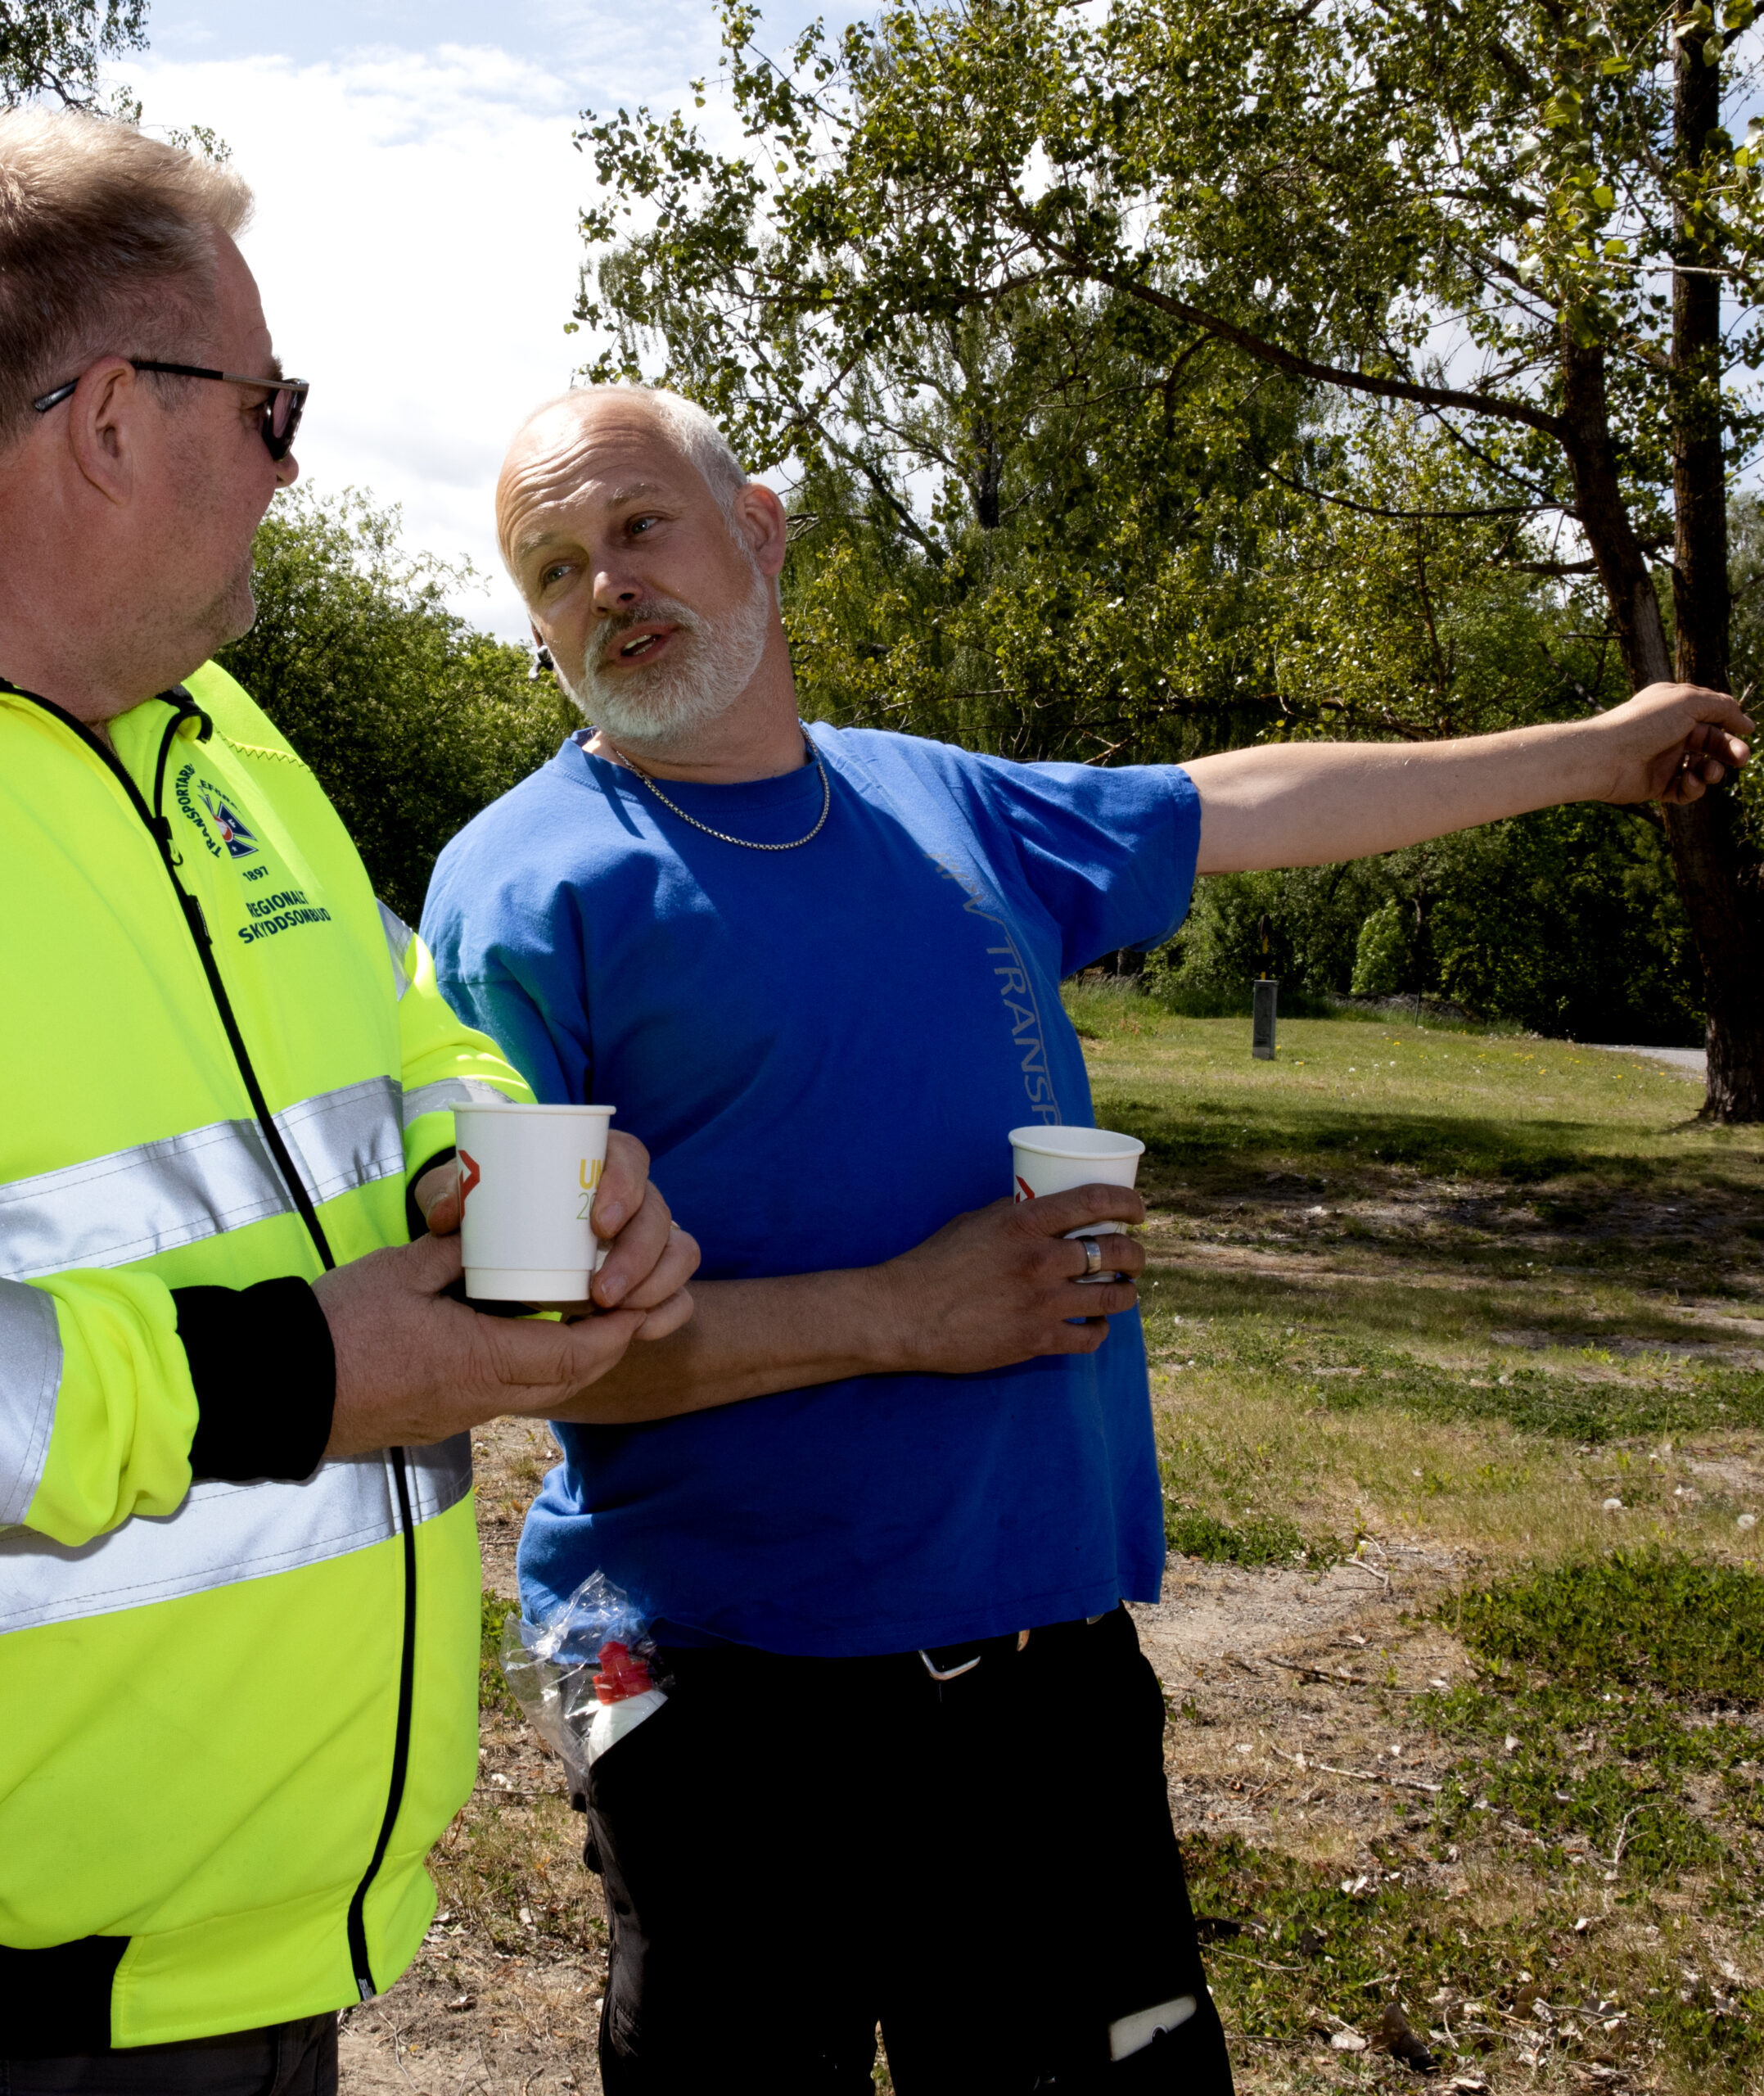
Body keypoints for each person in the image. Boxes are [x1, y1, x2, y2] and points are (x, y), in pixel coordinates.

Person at [421, 382, 1752, 2096]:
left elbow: (1242, 799)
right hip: (717, 1687)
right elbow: (526, 1338)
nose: (604, 585)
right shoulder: (517, 890)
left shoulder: (945, 806)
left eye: (637, 527)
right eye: (551, 568)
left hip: (1045, 1675)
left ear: (754, 526)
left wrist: (1597, 749)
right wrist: (902, 1312)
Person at [0, 113, 706, 2095]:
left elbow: (405, 1016)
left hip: (264, 1960)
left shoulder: (224, 731)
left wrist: (493, 1152)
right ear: (118, 420)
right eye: (270, 401)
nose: (294, 463)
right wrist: (294, 1372)